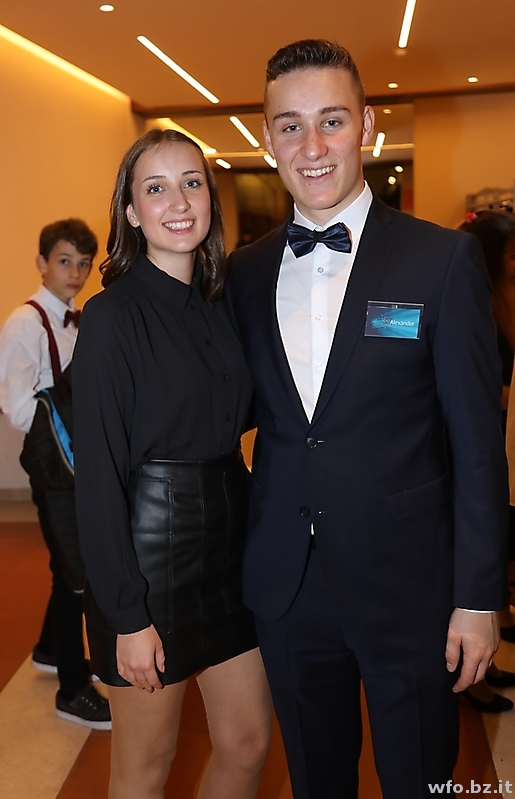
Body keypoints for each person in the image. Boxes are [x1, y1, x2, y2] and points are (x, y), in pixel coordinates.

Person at [224, 40, 508, 798]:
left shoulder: (441, 261)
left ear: (367, 125)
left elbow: (478, 445)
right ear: (267, 137)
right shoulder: (243, 274)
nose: (312, 147)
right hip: (287, 585)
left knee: (418, 779)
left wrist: (479, 596)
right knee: (316, 780)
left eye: (332, 120)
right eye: (290, 126)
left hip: (409, 586)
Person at [72, 128, 271, 799]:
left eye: (192, 183)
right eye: (156, 188)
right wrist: (127, 615)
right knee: (143, 768)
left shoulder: (219, 306)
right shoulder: (111, 317)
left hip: (230, 547)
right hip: (150, 560)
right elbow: (98, 480)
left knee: (247, 743)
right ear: (131, 212)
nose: (179, 202)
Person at [0, 218, 111, 729]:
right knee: (76, 575)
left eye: (84, 263)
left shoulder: (76, 318)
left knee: (64, 565)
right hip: (55, 468)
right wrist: (60, 425)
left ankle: (49, 648)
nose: (76, 273)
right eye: (65, 261)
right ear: (42, 262)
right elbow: (16, 406)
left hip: (78, 463)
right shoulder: (26, 323)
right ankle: (72, 689)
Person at [457, 210, 515, 711]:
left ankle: (484, 662)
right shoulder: (474, 294)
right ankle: (469, 676)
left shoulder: (501, 298)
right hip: (475, 442)